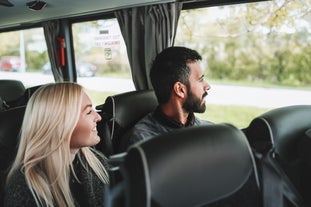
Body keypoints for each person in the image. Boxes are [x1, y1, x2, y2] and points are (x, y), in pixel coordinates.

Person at [3, 82, 109, 207]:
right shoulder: (26, 188)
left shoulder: (96, 162)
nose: (98, 117)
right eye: (89, 112)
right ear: (62, 124)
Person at [126, 46, 213, 147]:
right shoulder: (143, 141)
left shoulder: (209, 131)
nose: (207, 86)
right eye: (200, 79)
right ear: (180, 90)